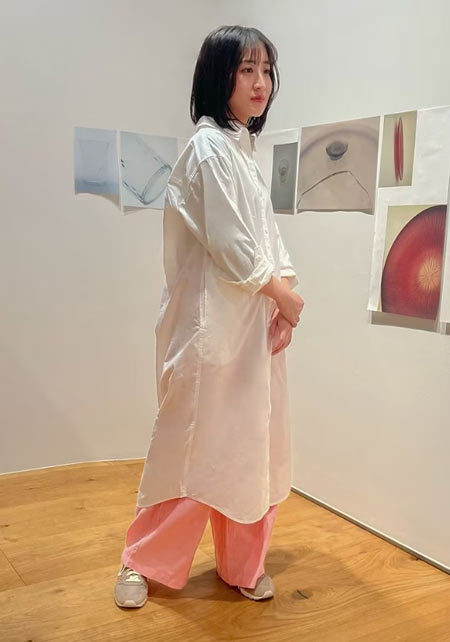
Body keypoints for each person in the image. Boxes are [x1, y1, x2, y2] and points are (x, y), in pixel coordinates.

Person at [114, 24, 304, 608]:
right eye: (246, 70)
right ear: (219, 76)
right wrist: (284, 297)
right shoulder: (207, 148)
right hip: (208, 330)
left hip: (250, 330)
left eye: (266, 70)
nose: (260, 83)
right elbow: (230, 243)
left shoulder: (243, 150)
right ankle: (140, 561)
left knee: (251, 447)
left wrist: (284, 296)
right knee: (191, 444)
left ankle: (243, 565)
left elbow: (267, 239)